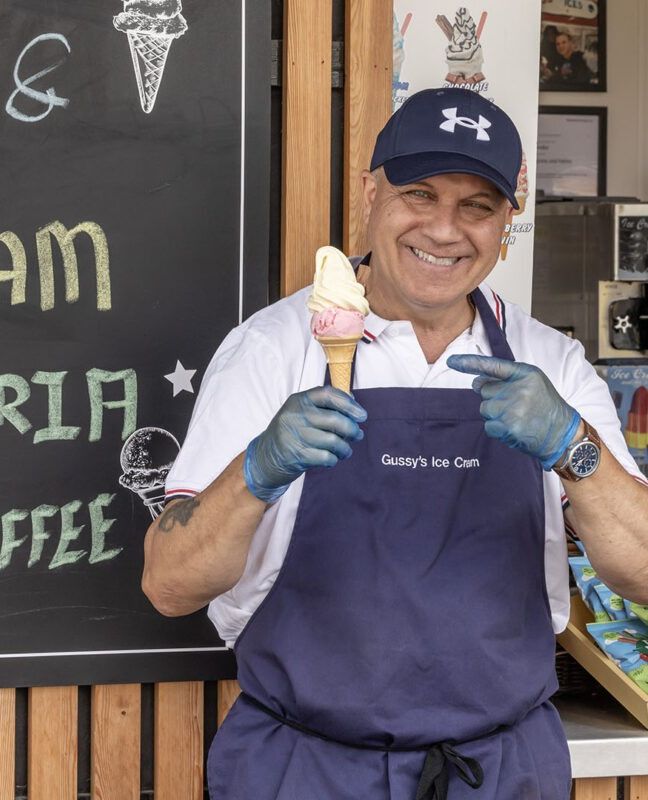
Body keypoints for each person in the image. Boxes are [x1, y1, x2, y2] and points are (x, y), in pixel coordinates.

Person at [142, 88, 648, 799]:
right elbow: (168, 585)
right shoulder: (270, 349)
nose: (445, 229)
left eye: (478, 206)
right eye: (419, 193)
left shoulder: (551, 364)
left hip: (501, 773)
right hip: (305, 770)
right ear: (370, 193)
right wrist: (257, 472)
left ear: (508, 221)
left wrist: (576, 446)